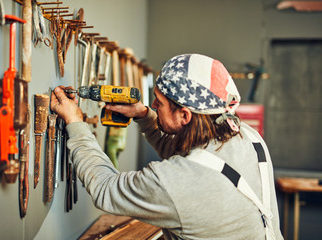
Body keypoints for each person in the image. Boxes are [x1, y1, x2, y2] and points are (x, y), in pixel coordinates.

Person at [51, 53, 283, 240]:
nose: (152, 105)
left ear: (184, 115)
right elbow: (198, 163)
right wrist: (145, 116)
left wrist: (75, 123)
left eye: (158, 103)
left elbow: (105, 188)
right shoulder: (249, 137)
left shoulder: (176, 182)